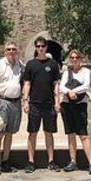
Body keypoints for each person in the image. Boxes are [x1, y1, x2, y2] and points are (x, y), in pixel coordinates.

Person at [22, 36, 61, 173]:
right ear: (35, 48)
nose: (40, 48)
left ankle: (51, 161)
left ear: (46, 47)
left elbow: (56, 84)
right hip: (34, 104)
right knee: (32, 133)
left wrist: (57, 101)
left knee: (49, 133)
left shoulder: (53, 64)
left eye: (42, 46)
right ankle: (30, 161)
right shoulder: (31, 64)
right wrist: (25, 101)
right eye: (38, 46)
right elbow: (27, 83)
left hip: (49, 104)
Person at [60, 49, 91, 174]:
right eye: (72, 57)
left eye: (76, 57)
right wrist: (69, 92)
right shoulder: (67, 72)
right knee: (70, 134)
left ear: (80, 58)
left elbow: (86, 86)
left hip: (80, 104)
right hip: (67, 104)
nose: (74, 59)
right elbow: (61, 86)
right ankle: (73, 161)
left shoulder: (85, 71)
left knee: (83, 134)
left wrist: (73, 91)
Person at [0, 43, 24, 175]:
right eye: (8, 49)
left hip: (15, 103)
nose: (11, 51)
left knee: (9, 134)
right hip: (2, 101)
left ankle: (5, 161)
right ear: (4, 51)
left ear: (17, 51)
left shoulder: (20, 64)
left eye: (14, 49)